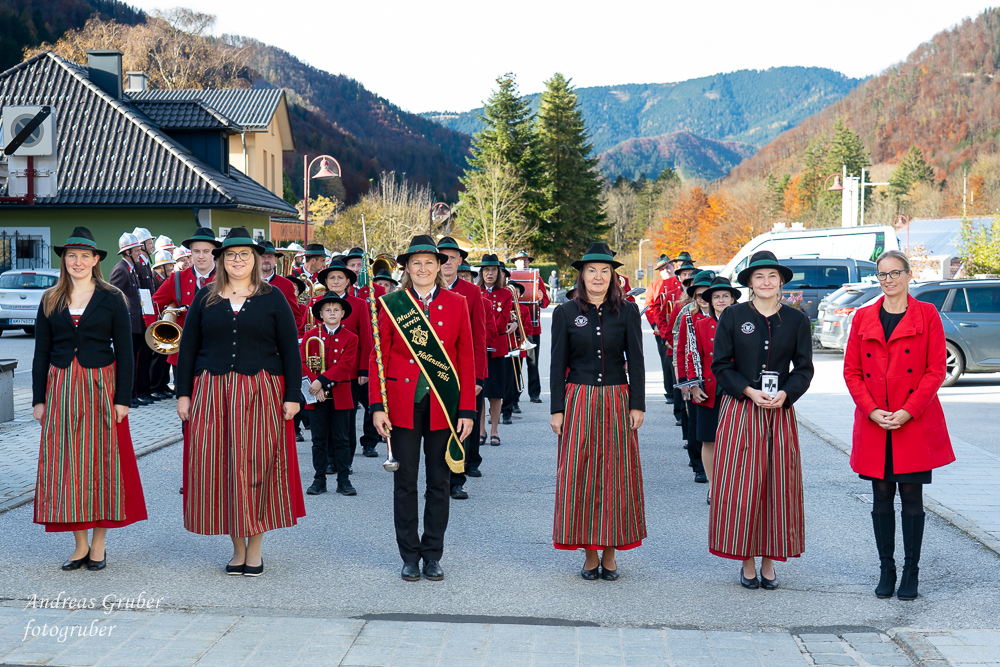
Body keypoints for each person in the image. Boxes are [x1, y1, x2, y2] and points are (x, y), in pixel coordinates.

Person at [175, 227, 305, 577]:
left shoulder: (272, 297)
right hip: (212, 392)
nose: (237, 260)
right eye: (230, 255)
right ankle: (236, 548)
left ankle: (256, 548)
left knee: (258, 466)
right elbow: (188, 349)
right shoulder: (205, 298)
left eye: (244, 254)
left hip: (262, 391)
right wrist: (183, 394)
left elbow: (290, 348)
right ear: (221, 260)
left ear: (255, 259)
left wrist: (293, 395)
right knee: (223, 468)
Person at [31, 227, 147, 571]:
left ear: (96, 260)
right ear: (64, 260)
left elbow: (125, 352)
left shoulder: (112, 297)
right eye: (72, 256)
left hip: (101, 385)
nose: (78, 262)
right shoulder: (50, 298)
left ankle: (98, 543)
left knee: (101, 463)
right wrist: (38, 399)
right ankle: (79, 544)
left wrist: (123, 398)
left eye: (85, 256)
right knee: (66, 464)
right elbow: (40, 353)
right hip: (61, 387)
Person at [844, 250, 955, 601]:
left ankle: (911, 571)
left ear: (909, 275)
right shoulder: (863, 316)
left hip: (912, 421)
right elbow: (852, 371)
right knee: (880, 496)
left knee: (911, 496)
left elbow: (936, 369)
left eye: (895, 273)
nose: (889, 280)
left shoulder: (927, 314)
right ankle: (886, 569)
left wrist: (909, 411)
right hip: (875, 421)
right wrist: (871, 410)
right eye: (883, 274)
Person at [369, 235, 476, 582]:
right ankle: (409, 557)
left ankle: (432, 555)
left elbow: (466, 358)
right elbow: (378, 358)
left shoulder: (458, 303)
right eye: (416, 263)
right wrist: (377, 406)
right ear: (407, 268)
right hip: (402, 405)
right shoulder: (392, 304)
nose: (423, 268)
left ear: (440, 265)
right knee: (405, 482)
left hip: (443, 406)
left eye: (430, 262)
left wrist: (467, 410)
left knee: (439, 482)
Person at [709, 250, 814, 590]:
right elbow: (720, 364)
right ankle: (746, 559)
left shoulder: (796, 320)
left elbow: (804, 369)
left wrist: (787, 393)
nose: (766, 282)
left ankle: (770, 559)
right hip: (742, 410)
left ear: (781, 281)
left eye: (772, 276)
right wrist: (748, 390)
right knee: (743, 486)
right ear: (750, 283)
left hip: (779, 413)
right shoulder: (734, 315)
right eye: (759, 276)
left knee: (776, 486)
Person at [550, 242, 646, 581]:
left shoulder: (628, 312)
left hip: (618, 398)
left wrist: (638, 404)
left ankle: (610, 553)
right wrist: (557, 409)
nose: (598, 276)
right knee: (580, 475)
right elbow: (557, 364)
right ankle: (590, 554)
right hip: (578, 399)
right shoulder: (565, 313)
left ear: (613, 276)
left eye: (605, 271)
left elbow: (637, 361)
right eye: (592, 270)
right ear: (582, 275)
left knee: (616, 476)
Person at [438, 236, 488, 500]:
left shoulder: (472, 292)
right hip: (431, 371)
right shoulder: (424, 289)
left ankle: (457, 480)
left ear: (460, 262)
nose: (447, 262)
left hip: (461, 373)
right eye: (442, 257)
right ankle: (437, 479)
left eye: (452, 257)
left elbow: (479, 337)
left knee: (461, 426)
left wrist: (478, 377)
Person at [312, 260, 373, 461]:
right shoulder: (316, 302)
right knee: (324, 416)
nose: (336, 281)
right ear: (326, 281)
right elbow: (307, 334)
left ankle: (345, 460)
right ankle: (328, 460)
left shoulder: (360, 304)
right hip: (321, 369)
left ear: (348, 281)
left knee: (345, 418)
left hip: (349, 371)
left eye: (340, 278)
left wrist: (364, 370)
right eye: (332, 278)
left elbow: (366, 338)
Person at [689, 276, 740, 504]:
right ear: (710, 301)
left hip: (737, 390)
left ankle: (733, 485)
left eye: (725, 296)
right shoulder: (700, 325)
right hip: (709, 390)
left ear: (733, 299)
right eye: (716, 297)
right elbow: (692, 356)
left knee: (736, 441)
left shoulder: (744, 324)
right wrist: (693, 385)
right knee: (708, 440)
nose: (721, 300)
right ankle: (713, 487)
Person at [301, 294, 359, 496]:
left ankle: (344, 479)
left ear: (342, 314)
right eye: (328, 310)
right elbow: (302, 363)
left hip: (340, 395)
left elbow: (345, 366)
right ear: (320, 314)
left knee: (341, 439)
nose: (332, 313)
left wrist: (321, 382)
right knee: (318, 439)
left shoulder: (351, 338)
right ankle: (319, 479)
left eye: (336, 310)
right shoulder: (310, 336)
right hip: (315, 395)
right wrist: (315, 386)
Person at [675, 270, 716, 485]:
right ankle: (699, 466)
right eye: (699, 294)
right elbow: (681, 350)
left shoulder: (726, 316)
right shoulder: (688, 318)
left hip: (719, 382)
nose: (703, 298)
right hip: (696, 381)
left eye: (707, 293)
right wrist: (685, 382)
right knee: (696, 426)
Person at [110, 232, 154, 408]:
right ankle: (127, 396)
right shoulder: (121, 270)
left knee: (134, 361)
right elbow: (115, 299)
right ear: (127, 252)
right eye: (136, 250)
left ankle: (132, 394)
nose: (139, 253)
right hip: (127, 325)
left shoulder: (131, 269)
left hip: (136, 324)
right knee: (128, 362)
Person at [477, 254, 514, 446]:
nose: (489, 273)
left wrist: (485, 333)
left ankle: (494, 430)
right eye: (486, 270)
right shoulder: (476, 292)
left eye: (493, 270)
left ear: (498, 273)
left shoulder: (506, 294)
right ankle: (481, 430)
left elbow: (502, 321)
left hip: (497, 347)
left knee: (496, 391)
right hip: (479, 348)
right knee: (480, 390)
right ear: (481, 273)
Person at [509, 250, 550, 404]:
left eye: (526, 260)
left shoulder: (536, 277)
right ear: (515, 263)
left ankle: (534, 393)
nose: (524, 263)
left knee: (533, 363)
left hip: (533, 327)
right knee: (516, 363)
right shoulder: (509, 277)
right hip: (514, 327)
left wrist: (540, 298)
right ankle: (515, 395)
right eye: (520, 260)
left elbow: (545, 302)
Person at [646, 254, 677, 403]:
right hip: (661, 329)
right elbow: (649, 307)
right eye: (663, 269)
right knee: (666, 361)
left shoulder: (680, 283)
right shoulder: (654, 285)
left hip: (677, 327)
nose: (667, 270)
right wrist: (655, 325)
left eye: (668, 267)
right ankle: (670, 391)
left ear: (673, 267)